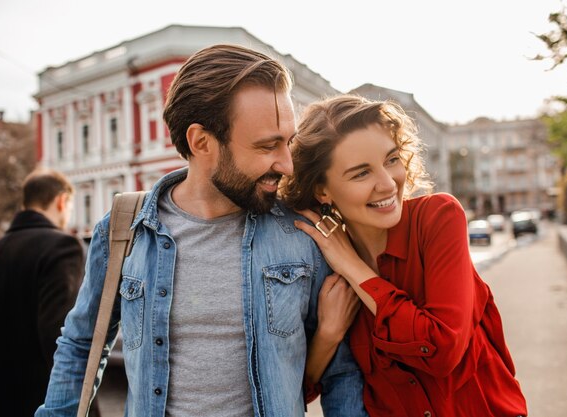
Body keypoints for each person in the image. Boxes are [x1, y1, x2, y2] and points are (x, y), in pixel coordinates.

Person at [35, 45, 367, 417]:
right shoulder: (123, 229)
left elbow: (343, 372)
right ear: (201, 142)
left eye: (287, 142)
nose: (287, 165)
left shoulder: (303, 233)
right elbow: (81, 345)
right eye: (266, 146)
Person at [283, 94, 528, 417]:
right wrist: (329, 334)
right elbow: (298, 391)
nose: (387, 184)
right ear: (322, 190)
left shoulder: (438, 217)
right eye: (361, 173)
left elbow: (442, 349)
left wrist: (355, 269)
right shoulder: (320, 264)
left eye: (392, 159)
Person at [0, 169, 101, 417]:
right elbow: (61, 334)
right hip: (42, 399)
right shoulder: (62, 246)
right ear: (62, 201)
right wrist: (85, 406)